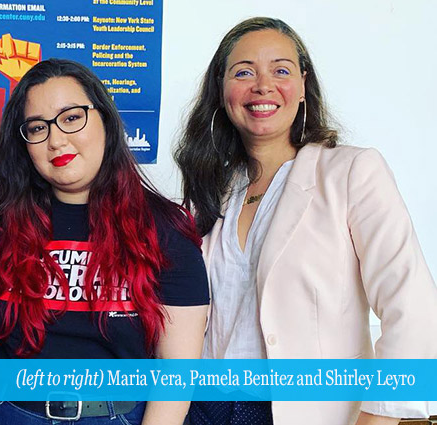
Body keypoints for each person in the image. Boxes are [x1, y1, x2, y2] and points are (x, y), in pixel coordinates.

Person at [174, 16, 437, 425]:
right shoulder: (210, 189)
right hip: (200, 409)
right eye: (244, 72)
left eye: (280, 70)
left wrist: (379, 417)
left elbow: (414, 306)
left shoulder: (351, 172)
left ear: (302, 88)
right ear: (222, 90)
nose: (263, 85)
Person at [0, 58, 210, 425]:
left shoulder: (166, 230)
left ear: (105, 120)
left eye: (71, 118)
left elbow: (176, 373)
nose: (56, 139)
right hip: (8, 414)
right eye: (37, 127)